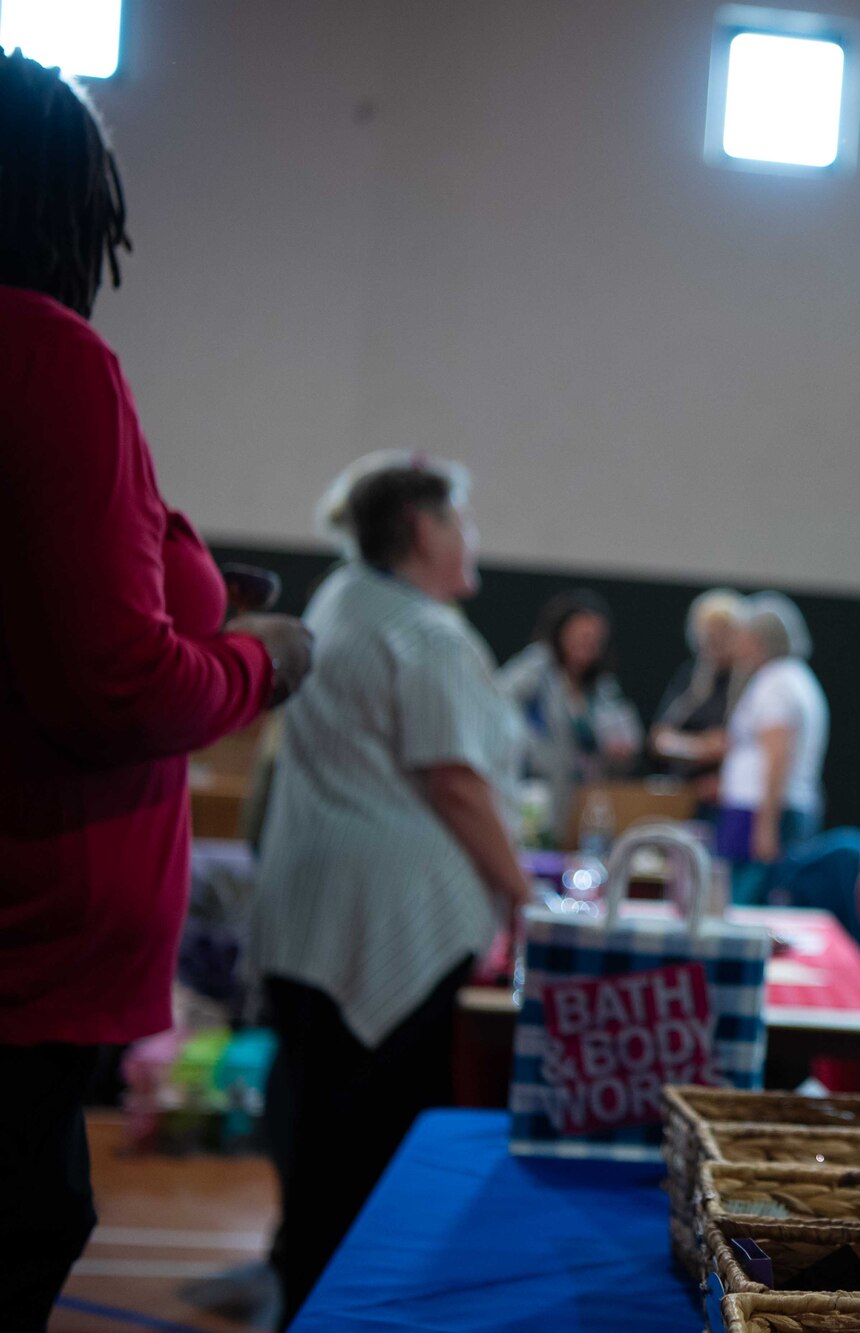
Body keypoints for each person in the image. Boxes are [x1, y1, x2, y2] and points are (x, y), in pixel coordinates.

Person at [0, 54, 312, 1330]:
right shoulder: (45, 353)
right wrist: (262, 661)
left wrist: (184, 587)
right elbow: (113, 688)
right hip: (24, 961)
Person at [251, 456, 531, 1324]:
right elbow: (454, 779)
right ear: (421, 526)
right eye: (461, 521)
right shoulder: (424, 630)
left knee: (317, 1156)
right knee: (364, 1164)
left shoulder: (338, 599)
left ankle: (309, 1300)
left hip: (310, 918)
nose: (471, 538)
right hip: (385, 932)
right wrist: (523, 891)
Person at [499, 589, 643, 843]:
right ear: (562, 633)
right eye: (582, 636)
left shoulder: (601, 688)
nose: (588, 645)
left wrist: (622, 749)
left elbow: (630, 734)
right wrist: (530, 748)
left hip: (584, 802)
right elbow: (498, 702)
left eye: (595, 640)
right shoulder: (537, 667)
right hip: (537, 796)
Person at [716, 592, 829, 904]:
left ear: (757, 638)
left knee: (750, 905)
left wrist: (765, 827)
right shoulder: (795, 678)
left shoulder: (777, 684)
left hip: (762, 811)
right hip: (772, 809)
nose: (736, 644)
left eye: (741, 635)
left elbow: (778, 755)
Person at [651, 587, 745, 796]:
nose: (716, 641)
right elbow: (659, 739)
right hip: (686, 792)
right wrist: (701, 747)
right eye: (709, 634)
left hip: (729, 794)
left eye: (724, 632)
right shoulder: (693, 676)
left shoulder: (751, 682)